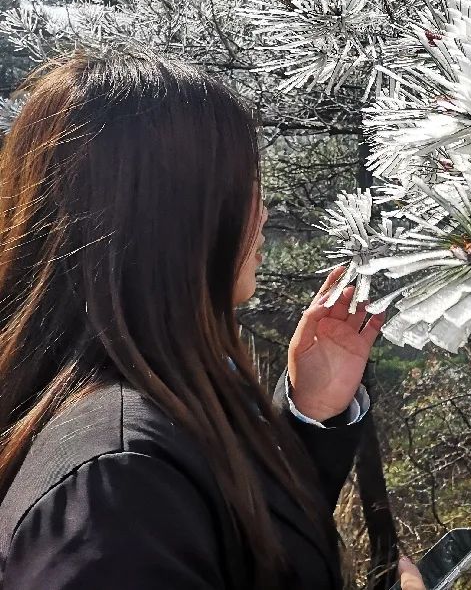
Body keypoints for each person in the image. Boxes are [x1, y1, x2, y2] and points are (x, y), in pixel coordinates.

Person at [0, 49, 425, 590]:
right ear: (175, 215)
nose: (263, 211)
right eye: (246, 185)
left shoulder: (132, 429)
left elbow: (239, 554)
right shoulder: (114, 481)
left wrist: (308, 416)